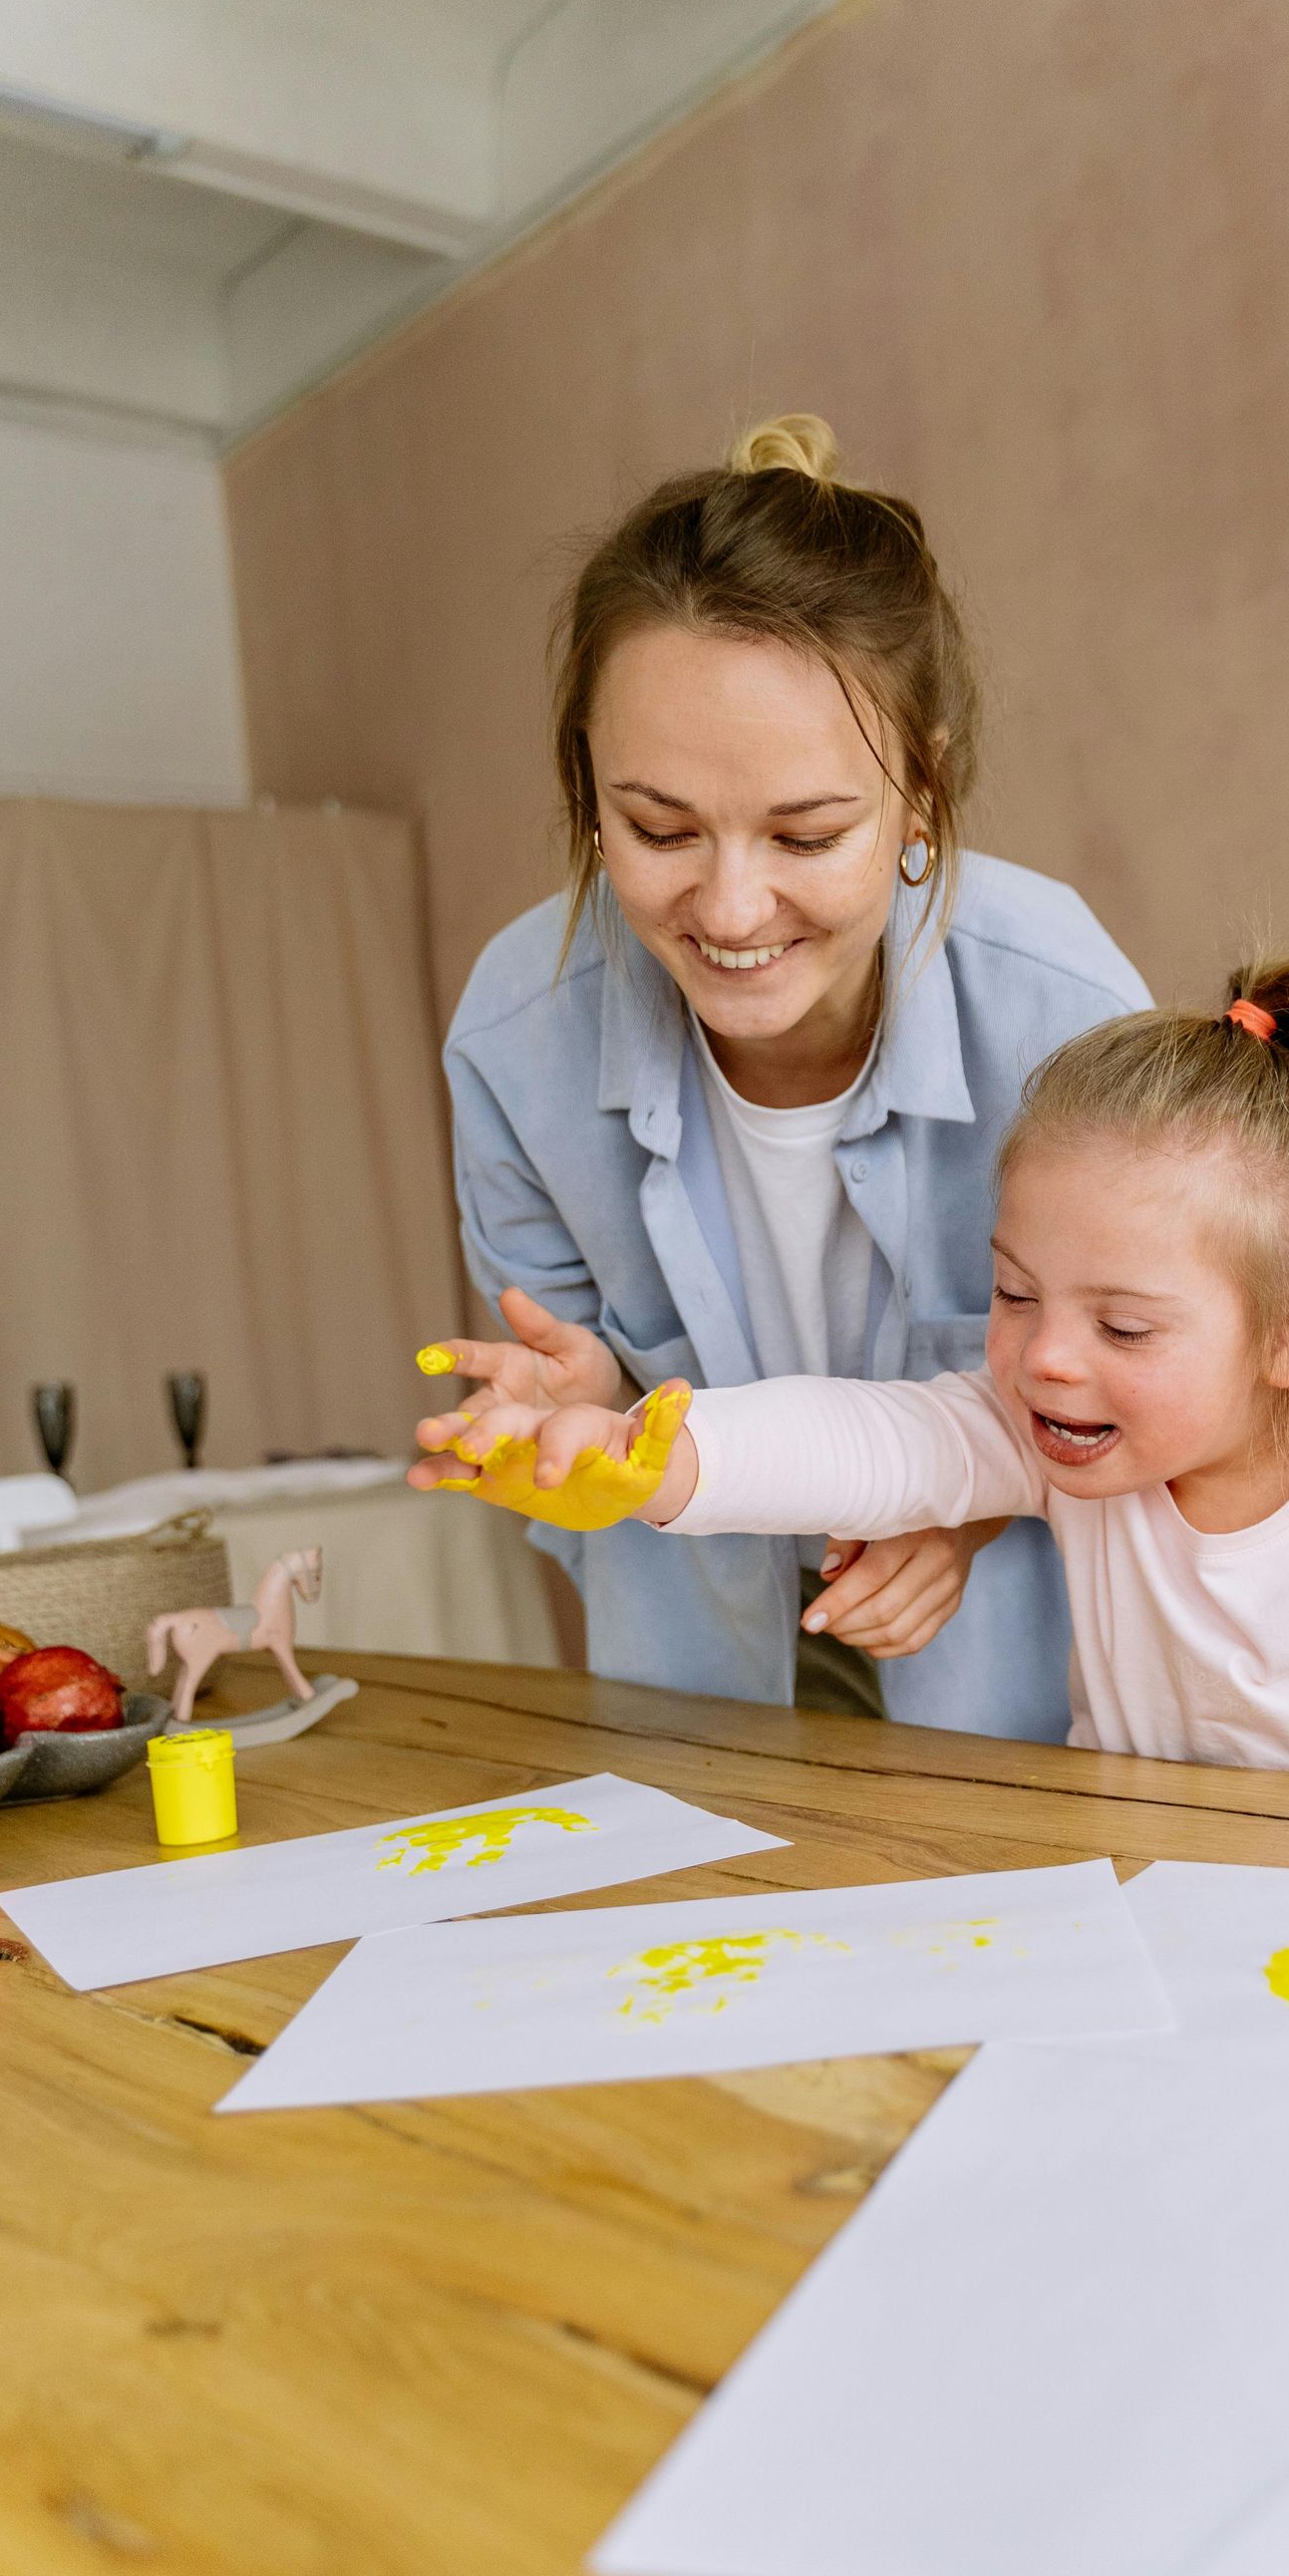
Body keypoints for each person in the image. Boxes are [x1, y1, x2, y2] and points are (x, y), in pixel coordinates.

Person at [413, 953, 1289, 1898]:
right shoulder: (1067, 1444)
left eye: (1125, 1329)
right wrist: (646, 1449)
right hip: (1166, 1940)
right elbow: (875, 1443)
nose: (1045, 1360)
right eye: (1012, 1293)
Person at [428, 412, 1147, 1737]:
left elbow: (1163, 1392)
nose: (734, 904)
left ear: (920, 797)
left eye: (805, 834)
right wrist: (589, 1405)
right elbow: (594, 1389)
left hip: (1030, 1711)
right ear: (588, 795)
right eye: (658, 828)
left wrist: (979, 1501)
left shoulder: (1066, 1015)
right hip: (699, 1699)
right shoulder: (516, 1038)